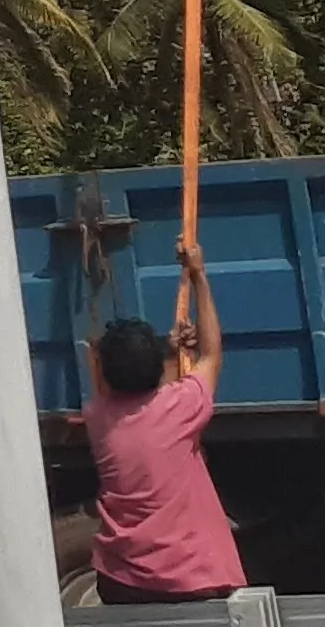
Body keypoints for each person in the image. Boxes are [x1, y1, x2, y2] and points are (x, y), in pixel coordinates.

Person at [84, 236, 245, 607]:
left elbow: (147, 399)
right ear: (156, 369)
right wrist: (198, 274)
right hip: (190, 578)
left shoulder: (98, 418)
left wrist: (170, 356)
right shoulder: (180, 407)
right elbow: (211, 354)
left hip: (121, 581)